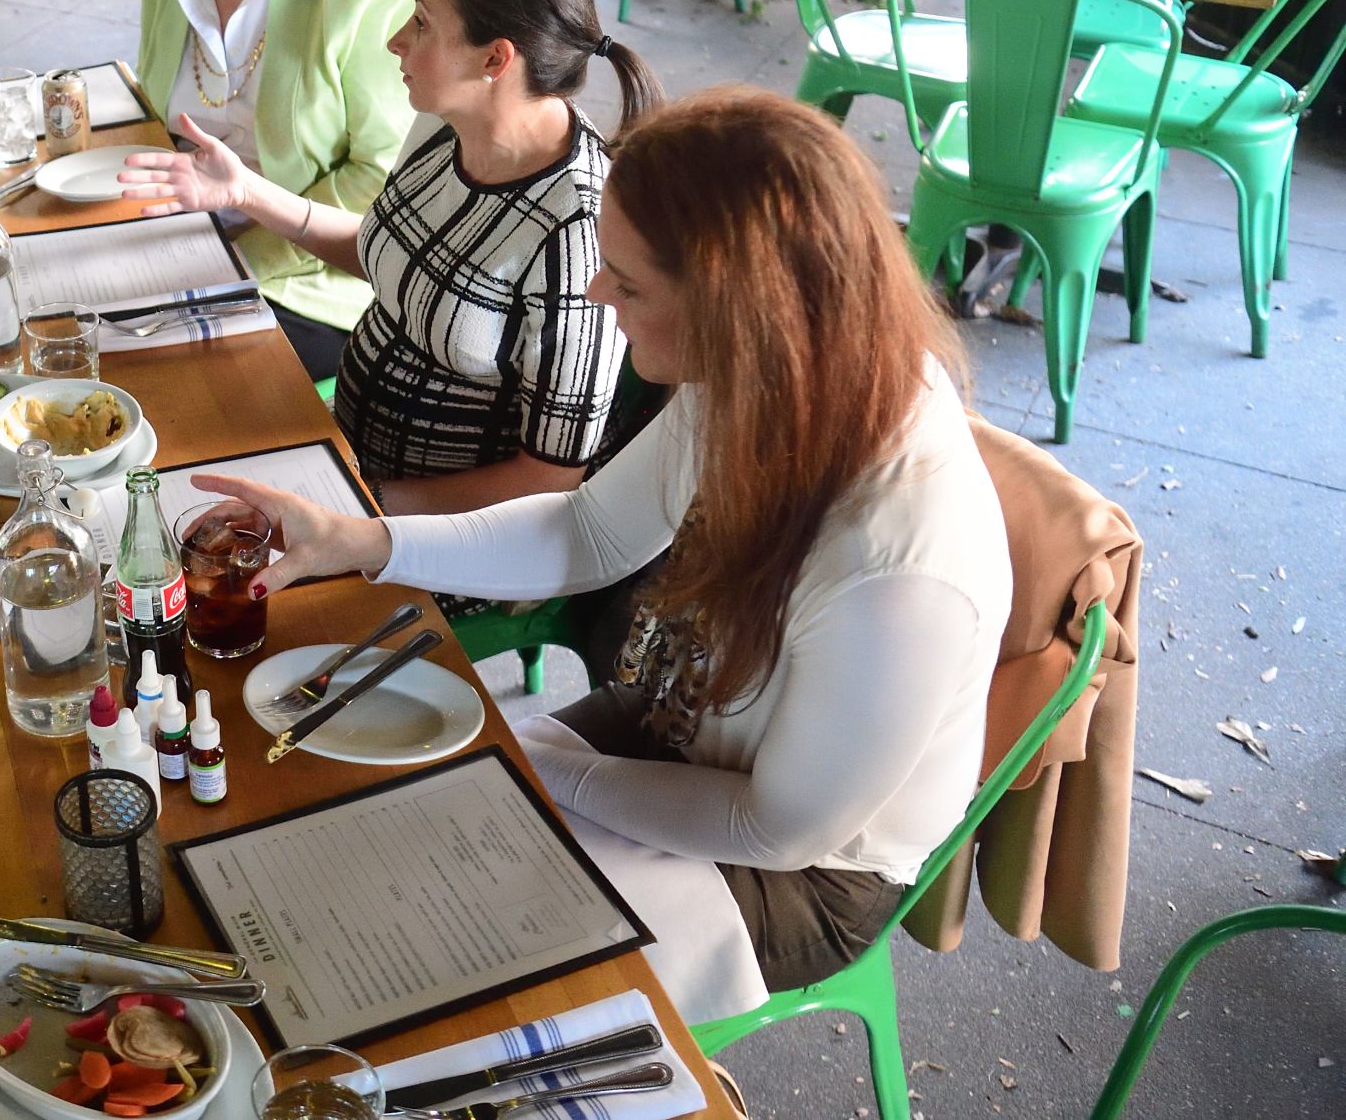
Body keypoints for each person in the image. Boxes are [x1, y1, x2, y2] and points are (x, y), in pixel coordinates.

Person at [202, 88, 1011, 1022]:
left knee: (435, 959)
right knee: (386, 836)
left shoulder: (899, 563)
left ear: (737, 308)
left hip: (797, 871)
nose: (595, 294)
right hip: (688, 726)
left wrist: (544, 766)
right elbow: (586, 531)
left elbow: (776, 826)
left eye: (626, 284)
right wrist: (364, 541)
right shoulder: (769, 372)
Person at [120, 0, 659, 516]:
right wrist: (245, 191)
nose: (397, 41)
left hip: (444, 530)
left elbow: (549, 479)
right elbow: (394, 257)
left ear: (495, 58)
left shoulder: (576, 231)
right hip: (350, 463)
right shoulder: (440, 125)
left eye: (423, 23)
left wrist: (356, 506)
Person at [129, 0, 416, 381]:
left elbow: (385, 175)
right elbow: (156, 125)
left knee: (168, 375)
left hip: (318, 276)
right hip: (186, 241)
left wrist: (241, 252)